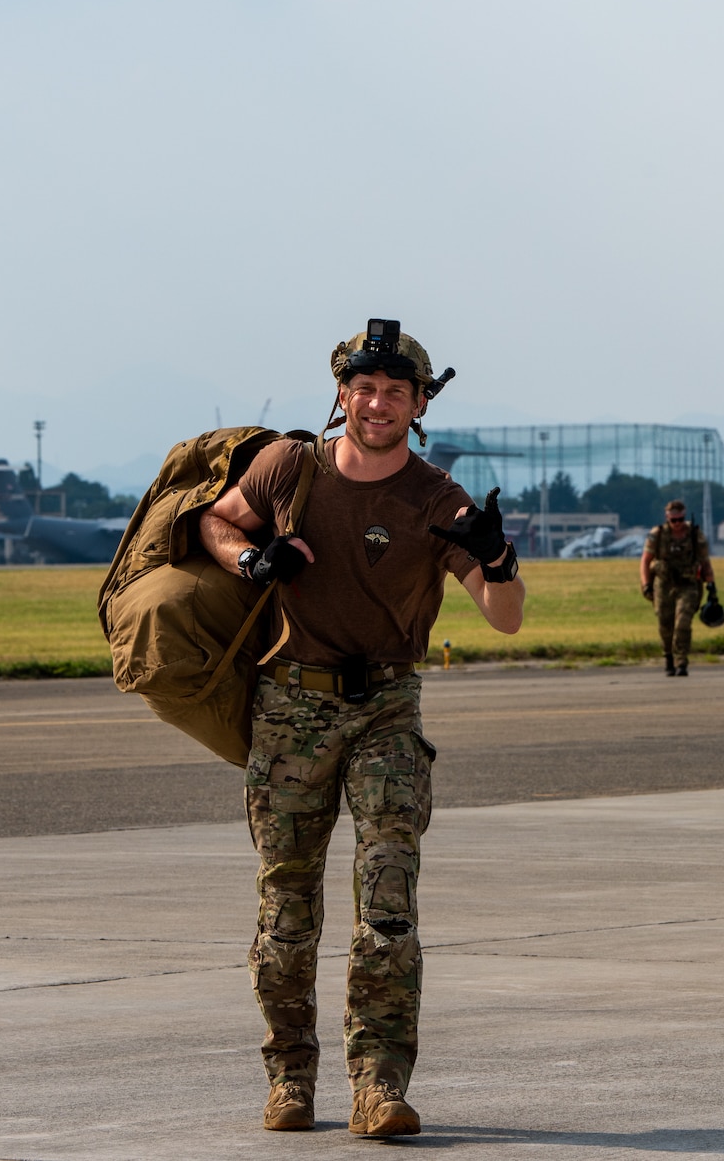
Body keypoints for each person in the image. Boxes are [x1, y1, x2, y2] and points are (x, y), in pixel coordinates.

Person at [194, 320, 525, 1137]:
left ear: (417, 406)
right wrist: (253, 561)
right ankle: (290, 1079)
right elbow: (215, 521)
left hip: (385, 707)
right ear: (343, 394)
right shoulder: (290, 467)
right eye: (365, 388)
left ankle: (377, 1083)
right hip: (290, 708)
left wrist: (499, 557)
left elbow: (506, 618)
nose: (377, 404)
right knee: (287, 906)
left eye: (396, 393)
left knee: (388, 905)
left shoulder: (435, 497)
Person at [640, 498, 714, 676]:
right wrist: (646, 585)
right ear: (667, 518)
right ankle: (668, 657)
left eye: (680, 519)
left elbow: (705, 562)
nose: (677, 524)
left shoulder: (695, 535)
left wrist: (712, 586)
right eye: (673, 520)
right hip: (663, 584)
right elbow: (645, 561)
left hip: (688, 585)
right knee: (665, 624)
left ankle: (681, 661)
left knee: (683, 623)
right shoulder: (657, 534)